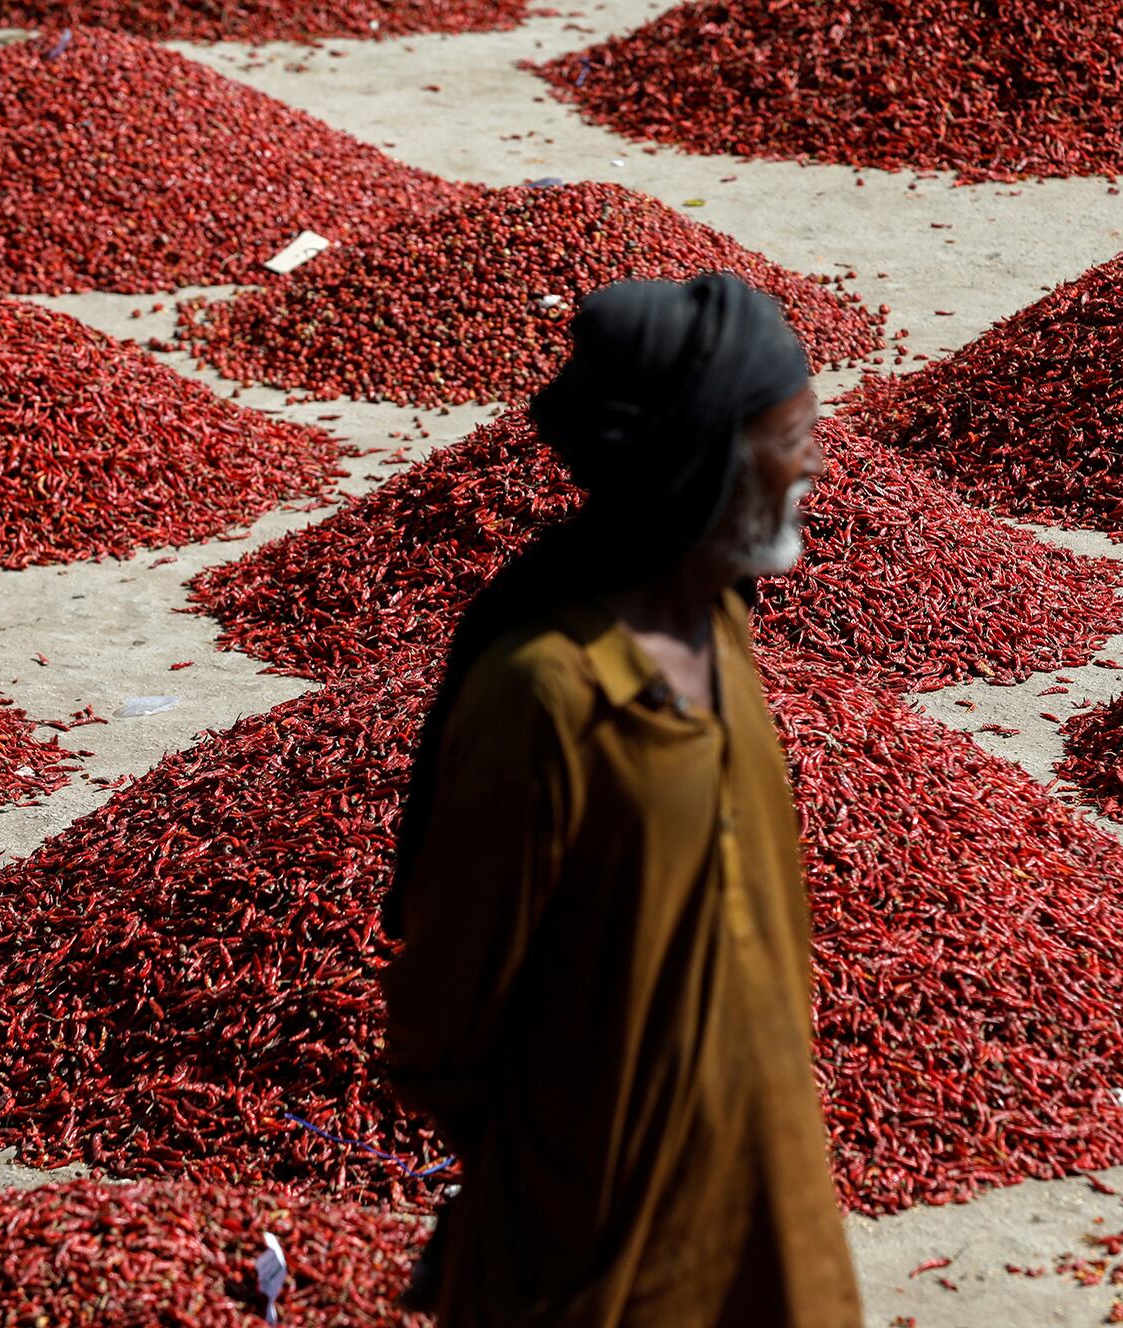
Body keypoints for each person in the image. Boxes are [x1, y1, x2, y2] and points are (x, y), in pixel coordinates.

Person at [378, 272, 863, 1328]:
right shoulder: (545, 693)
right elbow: (439, 1022)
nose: (818, 461)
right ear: (708, 465)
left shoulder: (721, 629)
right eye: (794, 434)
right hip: (601, 1250)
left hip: (772, 1204)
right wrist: (569, 1160)